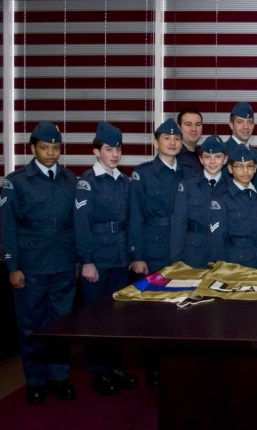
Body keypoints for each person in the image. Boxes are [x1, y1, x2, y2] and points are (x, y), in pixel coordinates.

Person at [1, 122, 78, 404]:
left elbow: (75, 226)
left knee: (60, 325)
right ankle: (35, 381)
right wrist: (12, 267)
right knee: (31, 326)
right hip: (31, 266)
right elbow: (7, 228)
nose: (50, 153)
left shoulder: (70, 180)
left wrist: (79, 261)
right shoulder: (17, 181)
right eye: (45, 147)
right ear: (33, 148)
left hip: (63, 265)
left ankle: (60, 377)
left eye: (55, 147)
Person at [74, 121, 139, 397]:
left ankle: (114, 366)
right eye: (109, 149)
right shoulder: (87, 182)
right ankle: (98, 371)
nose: (115, 154)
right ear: (96, 151)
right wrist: (86, 260)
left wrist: (131, 255)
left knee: (117, 319)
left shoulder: (124, 181)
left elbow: (130, 220)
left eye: (118, 149)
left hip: (119, 257)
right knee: (96, 318)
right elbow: (81, 223)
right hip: (96, 259)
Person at [129, 118, 185, 276]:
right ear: (156, 143)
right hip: (153, 251)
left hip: (182, 250)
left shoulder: (188, 175)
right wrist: (137, 256)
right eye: (167, 138)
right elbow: (135, 217)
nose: (172, 143)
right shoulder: (143, 174)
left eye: (177, 139)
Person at [170, 134, 228, 269]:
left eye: (218, 157)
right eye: (207, 157)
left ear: (225, 159)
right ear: (201, 159)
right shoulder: (187, 186)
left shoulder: (231, 187)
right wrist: (176, 261)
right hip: (193, 254)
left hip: (223, 253)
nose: (212, 162)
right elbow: (179, 225)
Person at [220, 143, 257, 269]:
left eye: (249, 166)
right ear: (230, 169)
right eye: (239, 166)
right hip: (234, 264)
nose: (245, 171)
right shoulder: (223, 199)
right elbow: (218, 242)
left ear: (255, 168)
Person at [226, 101, 257, 191]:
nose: (246, 127)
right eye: (240, 122)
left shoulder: (256, 154)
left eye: (250, 122)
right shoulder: (222, 152)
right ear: (231, 125)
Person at [176, 108, 204, 178]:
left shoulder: (206, 154)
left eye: (198, 124)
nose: (194, 129)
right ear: (179, 128)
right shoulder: (173, 156)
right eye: (188, 124)